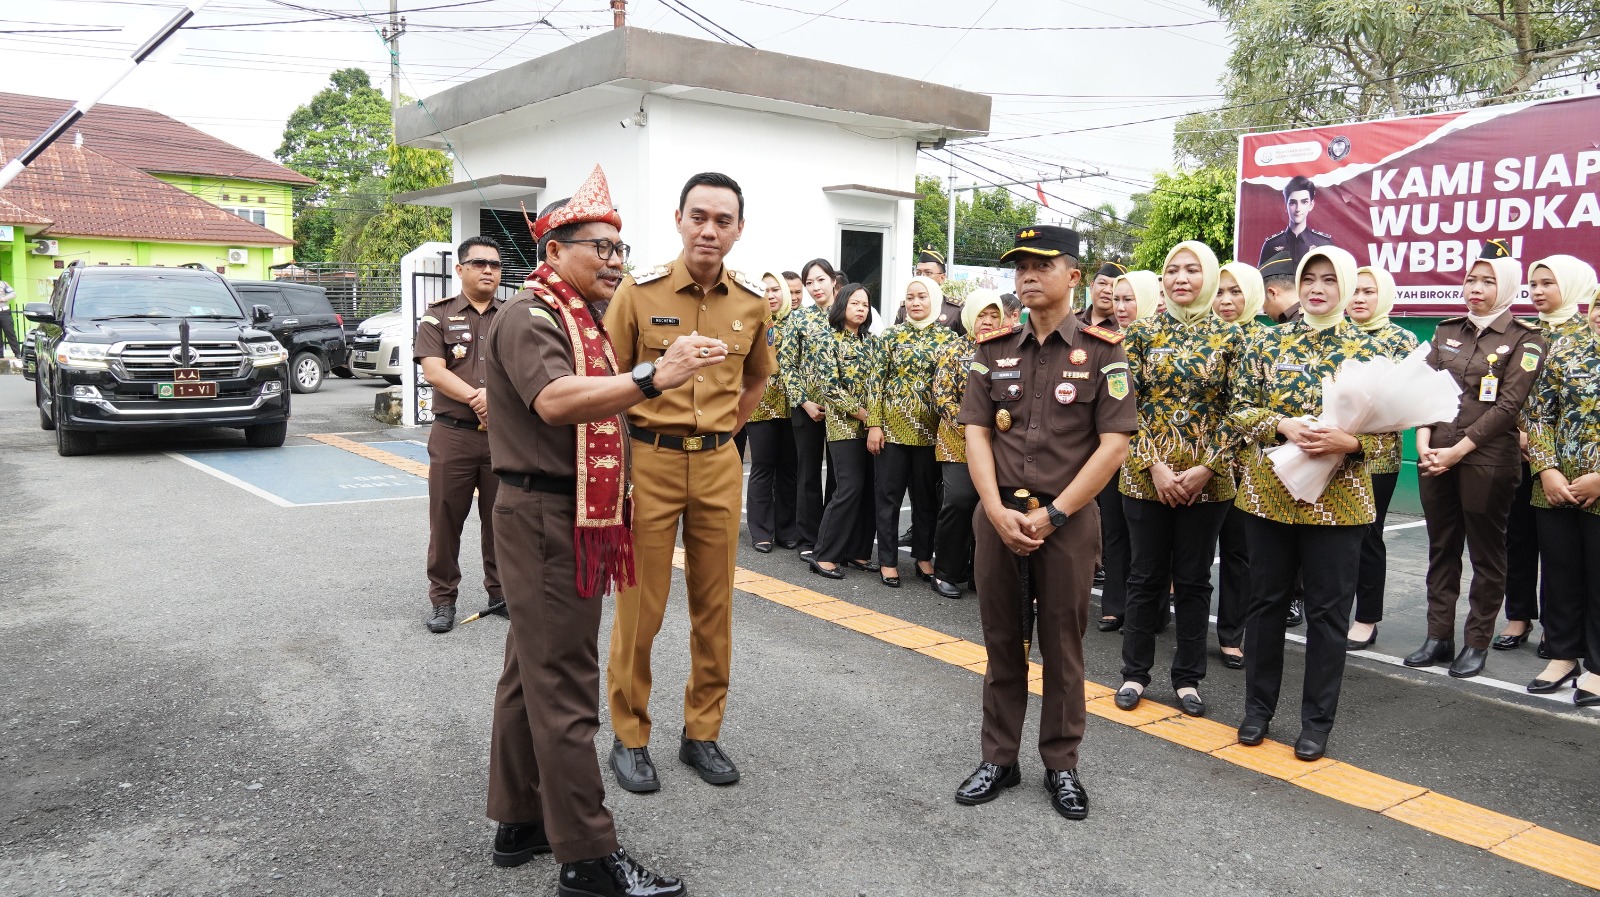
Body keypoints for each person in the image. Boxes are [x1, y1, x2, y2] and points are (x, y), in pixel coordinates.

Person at [484, 168, 716, 896]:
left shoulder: (572, 313)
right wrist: (655, 375)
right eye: (600, 247)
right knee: (564, 686)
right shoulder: (533, 317)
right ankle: (587, 857)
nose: (615, 260)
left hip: (557, 511)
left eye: (620, 248)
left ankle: (521, 818)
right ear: (553, 251)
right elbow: (556, 402)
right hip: (548, 515)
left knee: (530, 673)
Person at [954, 225, 1136, 821]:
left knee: (1063, 646)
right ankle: (998, 758)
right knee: (1002, 639)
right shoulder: (991, 347)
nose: (1027, 275)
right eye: (1019, 266)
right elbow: (975, 433)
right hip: (999, 513)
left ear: (1074, 275)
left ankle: (1062, 765)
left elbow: (1114, 446)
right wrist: (994, 508)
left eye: (1041, 264)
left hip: (1068, 517)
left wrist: (1055, 515)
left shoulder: (1104, 350)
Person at [603, 172, 775, 793]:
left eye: (722, 220)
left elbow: (756, 378)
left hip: (718, 465)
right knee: (640, 607)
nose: (710, 230)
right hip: (648, 460)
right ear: (679, 218)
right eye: (698, 216)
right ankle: (630, 736)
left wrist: (730, 427)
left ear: (738, 229)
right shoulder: (638, 291)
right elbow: (611, 377)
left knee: (715, 604)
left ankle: (702, 733)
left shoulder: (752, 303)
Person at [1229, 245, 1379, 762]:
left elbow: (1390, 436)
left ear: (1346, 287)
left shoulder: (1372, 351)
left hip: (1339, 505)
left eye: (1329, 279)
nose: (1317, 287)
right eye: (1308, 278)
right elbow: (1238, 410)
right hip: (1270, 495)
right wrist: (1281, 423)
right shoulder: (1267, 344)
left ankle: (1316, 722)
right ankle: (1257, 710)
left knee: (1328, 615)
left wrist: (1350, 443)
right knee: (1265, 604)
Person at [1112, 242, 1242, 719]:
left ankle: (1188, 679)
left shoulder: (1233, 338)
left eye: (1192, 270)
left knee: (1192, 580)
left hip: (1208, 482)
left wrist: (1207, 466)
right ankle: (1133, 672)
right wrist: (1155, 465)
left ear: (1207, 277)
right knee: (1144, 577)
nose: (1181, 277)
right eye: (1172, 270)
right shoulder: (1140, 335)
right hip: (1148, 478)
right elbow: (1124, 407)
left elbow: (1240, 411)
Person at [1407, 240, 1547, 680]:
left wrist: (1458, 450)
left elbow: (1508, 407)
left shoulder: (1526, 339)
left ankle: (1476, 641)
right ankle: (1438, 637)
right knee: (1441, 548)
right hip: (1437, 454)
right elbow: (1423, 388)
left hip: (1486, 460)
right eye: (1471, 278)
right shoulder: (1447, 331)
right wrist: (1424, 440)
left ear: (1505, 287)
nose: (1476, 287)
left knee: (1487, 555)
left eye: (1488, 280)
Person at [1497, 257, 1591, 652]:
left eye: (1547, 284)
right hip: (1512, 451)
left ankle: (1559, 628)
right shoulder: (1522, 333)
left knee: (1562, 552)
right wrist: (1516, 436)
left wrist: (1540, 450)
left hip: (1563, 461)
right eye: (1533, 284)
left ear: (1570, 286)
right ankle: (1518, 617)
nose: (1537, 292)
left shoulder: (1588, 335)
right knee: (1515, 539)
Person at [415, 235, 507, 634]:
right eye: (480, 263)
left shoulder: (514, 315)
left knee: (502, 519)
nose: (489, 270)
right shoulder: (437, 317)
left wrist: (497, 400)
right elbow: (434, 371)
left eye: (495, 265)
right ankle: (443, 599)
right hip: (454, 434)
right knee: (446, 517)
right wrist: (479, 398)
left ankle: (501, 593)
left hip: (504, 438)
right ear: (461, 269)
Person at [1522, 257, 1600, 704]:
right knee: (1561, 571)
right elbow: (1539, 413)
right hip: (1553, 486)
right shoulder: (1566, 350)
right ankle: (1564, 652)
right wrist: (1546, 469)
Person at [1343, 266, 1419, 651]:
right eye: (1354, 290)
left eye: (1368, 291)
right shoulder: (1335, 333)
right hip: (1333, 450)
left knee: (1367, 535)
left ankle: (1366, 617)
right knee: (1332, 536)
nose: (1358, 298)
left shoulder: (1400, 339)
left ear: (1384, 296)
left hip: (1377, 456)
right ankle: (1334, 609)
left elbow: (1408, 400)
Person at [931, 291, 1020, 598]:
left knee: (992, 506)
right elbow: (941, 396)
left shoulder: (1009, 350)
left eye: (994, 315)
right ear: (970, 316)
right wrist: (973, 424)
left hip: (1000, 443)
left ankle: (978, 572)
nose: (988, 321)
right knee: (959, 501)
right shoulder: (955, 349)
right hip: (958, 440)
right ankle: (946, 570)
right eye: (982, 315)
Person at [870, 276, 959, 586]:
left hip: (931, 433)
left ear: (934, 300)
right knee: (889, 496)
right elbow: (875, 383)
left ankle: (923, 557)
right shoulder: (890, 336)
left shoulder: (948, 339)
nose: (916, 302)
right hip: (892, 431)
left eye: (922, 296)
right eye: (910, 297)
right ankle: (887, 561)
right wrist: (874, 425)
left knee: (925, 500)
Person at [1094, 270, 1160, 631]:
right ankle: (1114, 603)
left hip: (1150, 454)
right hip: (1109, 450)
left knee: (1147, 538)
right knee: (1115, 529)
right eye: (1117, 299)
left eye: (1129, 299)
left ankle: (1149, 609)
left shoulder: (1162, 341)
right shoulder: (1103, 341)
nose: (1120, 306)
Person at [1211, 261, 1267, 670]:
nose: (1226, 300)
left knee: (1239, 553)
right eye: (1220, 291)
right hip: (1201, 461)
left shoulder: (1268, 340)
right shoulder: (1200, 336)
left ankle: (1233, 634)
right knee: (1192, 554)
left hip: (1249, 466)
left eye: (1236, 291)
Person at [808, 285, 881, 580]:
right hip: (844, 427)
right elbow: (829, 388)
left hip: (873, 426)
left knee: (869, 492)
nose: (861, 308)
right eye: (855, 303)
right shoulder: (828, 340)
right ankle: (824, 554)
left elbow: (879, 383)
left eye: (865, 304)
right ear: (842, 305)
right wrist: (863, 415)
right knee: (848, 488)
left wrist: (874, 419)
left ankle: (858, 552)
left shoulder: (872, 343)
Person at [784, 258, 844, 558]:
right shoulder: (799, 319)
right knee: (807, 473)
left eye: (820, 280)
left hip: (842, 410)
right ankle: (807, 539)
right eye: (809, 283)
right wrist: (804, 401)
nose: (815, 287)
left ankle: (833, 538)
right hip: (806, 406)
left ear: (834, 280)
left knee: (839, 476)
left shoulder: (847, 313)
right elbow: (788, 364)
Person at [745, 271, 800, 553]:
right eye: (765, 290)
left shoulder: (798, 322)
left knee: (789, 470)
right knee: (763, 468)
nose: (771, 295)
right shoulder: (753, 322)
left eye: (776, 289)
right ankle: (760, 531)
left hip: (792, 406)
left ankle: (786, 529)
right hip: (760, 406)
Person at [1258, 175, 1333, 268]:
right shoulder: (1272, 245)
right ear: (1285, 206)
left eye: (1304, 202)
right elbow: (1261, 280)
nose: (1298, 209)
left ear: (1311, 205)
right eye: (1293, 203)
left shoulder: (1323, 244)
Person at [896, 249, 966, 334]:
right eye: (918, 273)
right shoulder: (906, 308)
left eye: (928, 273)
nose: (922, 277)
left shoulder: (956, 310)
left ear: (942, 278)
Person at [1259, 251, 1301, 324]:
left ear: (1272, 293)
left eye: (1262, 301)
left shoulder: (1293, 327)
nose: (1264, 311)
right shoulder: (1315, 319)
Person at [1081, 262, 1126, 326]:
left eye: (1114, 285)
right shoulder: (1073, 322)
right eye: (1102, 283)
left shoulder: (1128, 329)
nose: (1107, 290)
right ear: (1091, 286)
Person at [0, 279, 21, 361]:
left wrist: (2, 299)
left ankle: (17, 353)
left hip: (4, 312)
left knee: (10, 333)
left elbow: (13, 294)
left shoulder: (4, 284)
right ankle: (0, 355)